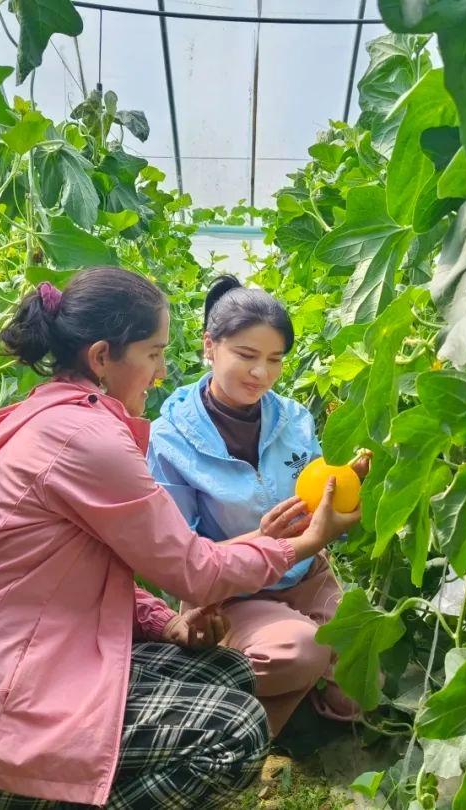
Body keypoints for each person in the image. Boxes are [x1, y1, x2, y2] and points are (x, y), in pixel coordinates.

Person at [0, 266, 359, 810]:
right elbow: (197, 569)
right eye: (153, 353)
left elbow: (90, 571)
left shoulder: (66, 418)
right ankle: (24, 795)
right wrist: (304, 542)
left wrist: (165, 621)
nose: (163, 371)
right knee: (233, 731)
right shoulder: (84, 437)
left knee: (230, 671)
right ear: (101, 358)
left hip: (25, 663)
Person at [147, 276, 367, 739]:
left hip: (307, 573)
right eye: (246, 357)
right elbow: (178, 554)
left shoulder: (294, 419)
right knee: (301, 651)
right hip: (232, 593)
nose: (261, 375)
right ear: (210, 346)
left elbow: (318, 501)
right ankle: (240, 733)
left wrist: (346, 487)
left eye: (275, 361)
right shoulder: (170, 438)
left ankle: (305, 698)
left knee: (358, 687)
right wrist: (260, 544)